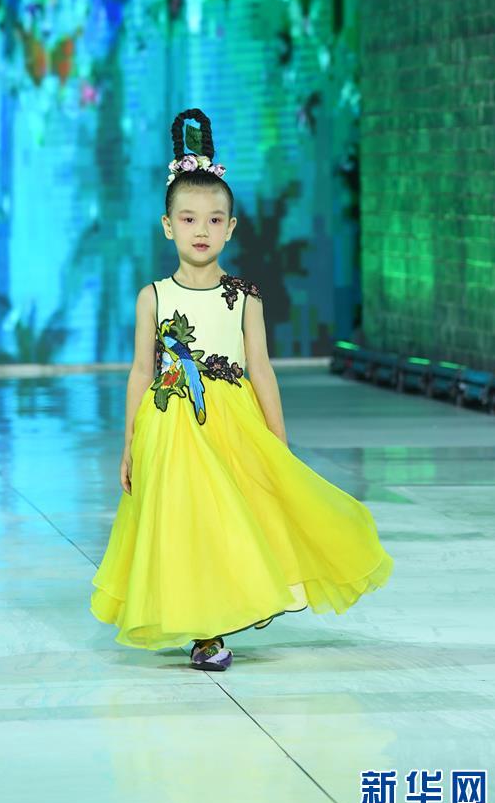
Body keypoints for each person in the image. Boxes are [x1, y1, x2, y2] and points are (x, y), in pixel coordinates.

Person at [90, 107, 394, 671]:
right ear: (167, 225)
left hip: (232, 421)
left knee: (232, 518)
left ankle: (230, 610)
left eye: (214, 219)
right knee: (184, 521)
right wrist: (129, 442)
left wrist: (278, 441)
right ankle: (204, 632)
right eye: (188, 219)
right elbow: (140, 372)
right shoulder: (153, 297)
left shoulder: (245, 296)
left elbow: (262, 369)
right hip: (170, 425)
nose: (200, 230)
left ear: (231, 228)